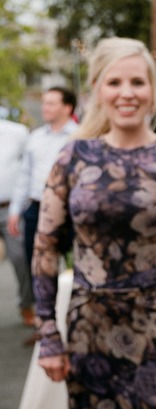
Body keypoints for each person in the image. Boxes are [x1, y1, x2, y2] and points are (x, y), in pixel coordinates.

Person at [33, 37, 156, 409]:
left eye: (137, 82)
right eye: (114, 82)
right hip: (90, 332)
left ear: (152, 90)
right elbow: (46, 247)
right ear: (97, 89)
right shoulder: (73, 157)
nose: (127, 93)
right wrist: (47, 333)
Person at [8, 86, 79, 287]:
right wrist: (15, 210)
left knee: (74, 264)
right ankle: (42, 304)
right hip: (36, 209)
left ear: (67, 108)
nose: (44, 108)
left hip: (70, 210)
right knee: (37, 265)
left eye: (51, 103)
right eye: (44, 103)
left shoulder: (80, 137)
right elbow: (25, 175)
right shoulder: (35, 137)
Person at [0, 117, 34, 326]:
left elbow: (28, 168)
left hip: (10, 209)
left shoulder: (17, 132)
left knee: (20, 257)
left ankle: (26, 304)